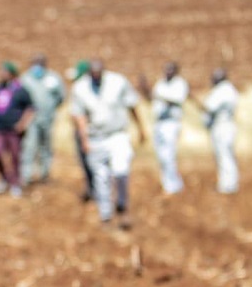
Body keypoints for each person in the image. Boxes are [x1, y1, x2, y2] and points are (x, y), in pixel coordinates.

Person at [69, 59, 146, 228]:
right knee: (101, 177)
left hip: (117, 135)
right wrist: (84, 140)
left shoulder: (118, 82)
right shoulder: (80, 88)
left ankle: (122, 205)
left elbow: (131, 105)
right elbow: (79, 116)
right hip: (95, 137)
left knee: (121, 170)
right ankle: (106, 214)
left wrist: (141, 128)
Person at [0, 61, 34, 197]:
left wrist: (22, 124)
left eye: (4, 72)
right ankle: (4, 178)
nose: (1, 74)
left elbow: (30, 108)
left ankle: (16, 183)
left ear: (12, 74)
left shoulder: (21, 90)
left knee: (15, 156)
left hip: (14, 130)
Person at [138, 62, 189, 195]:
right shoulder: (161, 83)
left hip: (171, 123)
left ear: (176, 71)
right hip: (159, 123)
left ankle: (173, 186)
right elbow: (152, 99)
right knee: (161, 156)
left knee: (168, 155)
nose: (167, 72)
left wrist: (157, 96)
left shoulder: (180, 84)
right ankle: (168, 183)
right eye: (166, 69)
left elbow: (177, 100)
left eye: (170, 70)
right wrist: (144, 89)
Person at [19, 53, 65, 185]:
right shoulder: (25, 79)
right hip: (31, 120)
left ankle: (45, 174)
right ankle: (26, 176)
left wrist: (51, 108)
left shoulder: (53, 78)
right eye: (35, 63)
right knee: (29, 146)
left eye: (40, 63)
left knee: (46, 147)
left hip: (48, 119)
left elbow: (61, 97)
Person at [198, 68, 239, 194]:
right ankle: (228, 183)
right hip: (225, 126)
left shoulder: (223, 90)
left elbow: (209, 108)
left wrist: (194, 100)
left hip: (222, 127)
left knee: (224, 155)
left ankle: (228, 185)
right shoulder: (229, 89)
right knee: (225, 155)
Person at [68, 60, 94, 201]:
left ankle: (94, 190)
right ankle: (91, 188)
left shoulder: (81, 88)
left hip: (87, 131)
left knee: (91, 161)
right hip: (82, 130)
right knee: (85, 162)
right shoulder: (80, 87)